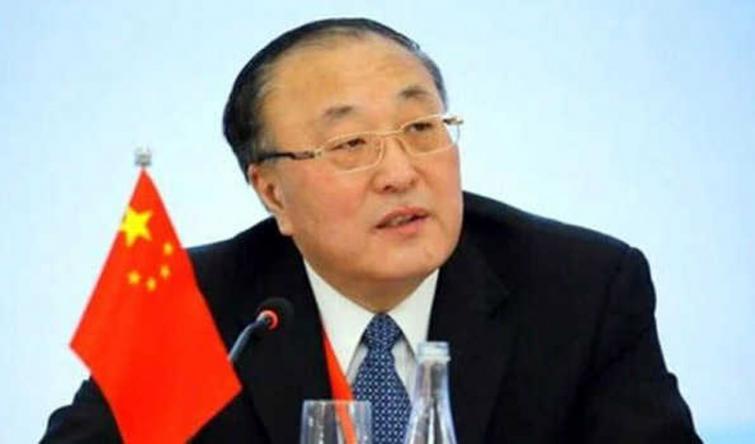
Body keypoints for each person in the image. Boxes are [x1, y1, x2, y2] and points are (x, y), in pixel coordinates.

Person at [41, 17, 701, 443]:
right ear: (272, 191)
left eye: (421, 128)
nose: (400, 173)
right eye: (350, 144)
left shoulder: (580, 288)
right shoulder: (186, 303)